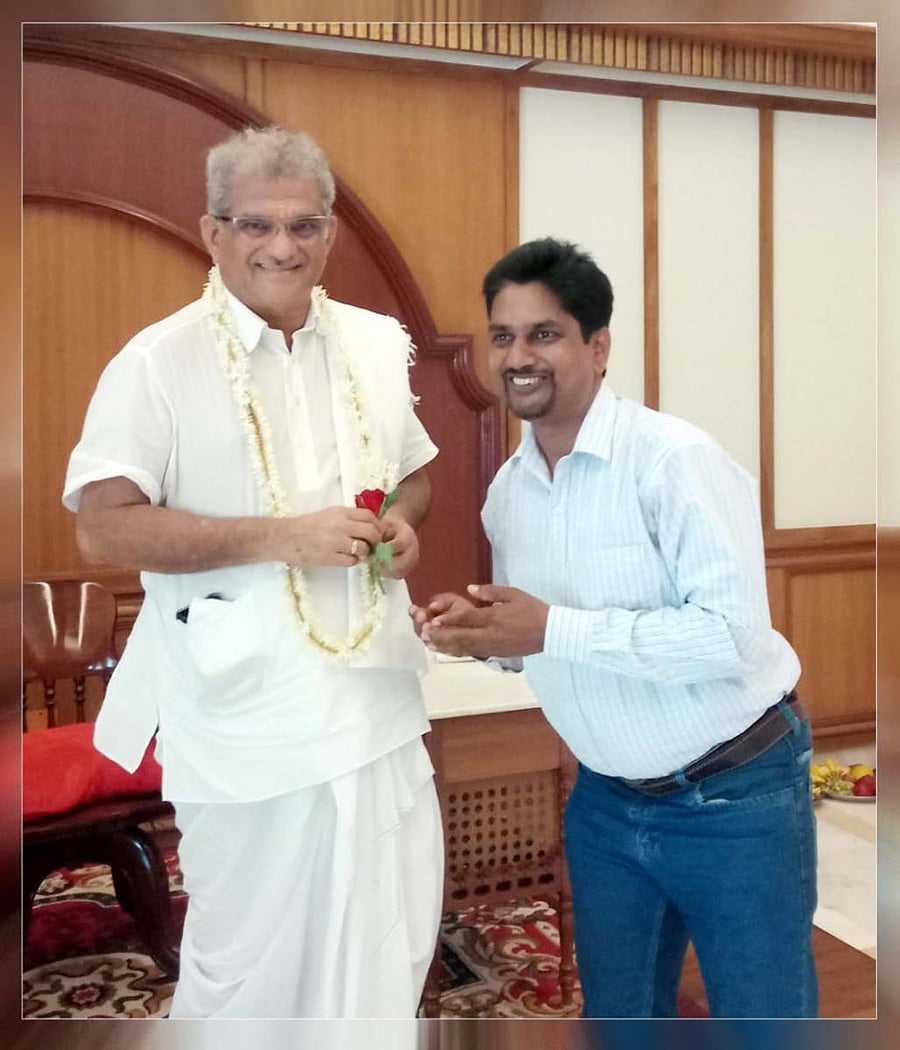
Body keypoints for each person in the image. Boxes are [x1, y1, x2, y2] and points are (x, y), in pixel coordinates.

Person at [63, 126, 443, 1019]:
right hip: (245, 715)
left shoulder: (377, 344)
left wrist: (401, 526)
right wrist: (282, 537)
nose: (282, 246)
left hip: (374, 695)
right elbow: (100, 530)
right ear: (213, 232)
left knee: (388, 936)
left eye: (305, 225)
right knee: (250, 966)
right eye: (257, 225)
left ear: (330, 233)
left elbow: (416, 475)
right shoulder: (159, 361)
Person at [410, 238, 817, 1018]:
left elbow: (731, 640)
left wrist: (549, 629)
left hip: (734, 796)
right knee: (622, 1019)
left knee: (768, 1020)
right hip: (604, 801)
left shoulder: (676, 462)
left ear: (598, 348)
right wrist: (482, 637)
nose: (517, 356)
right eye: (503, 336)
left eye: (544, 333)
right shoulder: (509, 493)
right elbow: (540, 644)